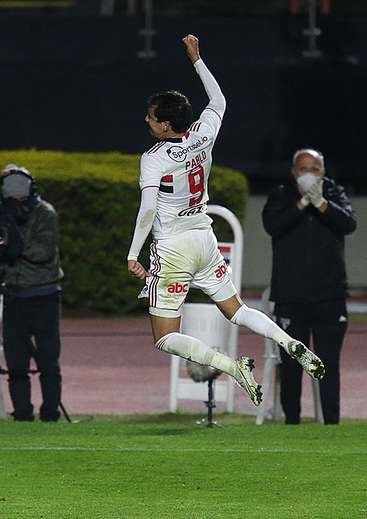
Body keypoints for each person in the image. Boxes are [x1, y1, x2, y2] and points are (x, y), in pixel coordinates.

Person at [126, 34, 324, 407]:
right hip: (204, 237)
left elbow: (148, 209)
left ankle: (231, 367)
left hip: (172, 248)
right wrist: (197, 59)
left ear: (166, 126)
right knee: (237, 310)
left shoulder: (153, 157)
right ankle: (286, 340)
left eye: (152, 118)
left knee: (165, 337)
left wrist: (133, 254)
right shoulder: (203, 133)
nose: (147, 120)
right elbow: (218, 101)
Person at [262, 148, 357, 424]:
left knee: (328, 364)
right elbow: (273, 225)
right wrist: (303, 203)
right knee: (292, 364)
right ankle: (292, 421)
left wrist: (322, 203)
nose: (309, 174)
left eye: (314, 169)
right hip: (291, 297)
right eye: (303, 169)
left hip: (330, 297)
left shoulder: (335, 193)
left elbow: (349, 223)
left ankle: (331, 423)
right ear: (294, 173)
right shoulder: (281, 194)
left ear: (323, 172)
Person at [0, 164, 64, 422]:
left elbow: (42, 252)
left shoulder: (45, 213)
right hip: (13, 295)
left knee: (48, 360)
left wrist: (12, 243)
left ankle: (50, 413)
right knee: (16, 362)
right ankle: (22, 415)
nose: (16, 196)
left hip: (43, 295)